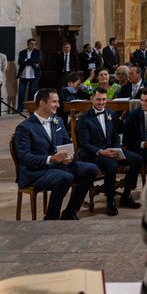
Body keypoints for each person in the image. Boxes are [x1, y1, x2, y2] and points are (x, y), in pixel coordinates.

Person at [13, 88, 98, 220]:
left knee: (91, 169)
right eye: (54, 102)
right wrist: (50, 159)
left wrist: (69, 156)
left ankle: (70, 212)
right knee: (65, 177)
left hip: (58, 166)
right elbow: (25, 158)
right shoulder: (24, 127)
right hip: (35, 172)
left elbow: (67, 143)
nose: (58, 105)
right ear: (42, 103)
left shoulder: (57, 121)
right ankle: (51, 217)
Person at [76, 88, 143, 216]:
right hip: (93, 154)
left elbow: (115, 136)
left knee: (137, 159)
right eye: (98, 99)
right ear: (92, 99)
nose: (101, 102)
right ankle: (110, 201)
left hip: (111, 151)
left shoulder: (111, 114)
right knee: (111, 165)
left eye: (104, 99)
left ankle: (126, 195)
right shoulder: (84, 118)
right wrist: (101, 152)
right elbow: (84, 143)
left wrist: (116, 149)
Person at [17, 38, 41, 113]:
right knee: (21, 92)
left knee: (32, 92)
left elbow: (38, 61)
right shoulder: (22, 52)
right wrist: (31, 62)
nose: (33, 45)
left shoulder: (37, 52)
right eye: (31, 43)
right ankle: (20, 108)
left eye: (34, 44)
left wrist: (27, 60)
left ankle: (31, 108)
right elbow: (20, 62)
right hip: (23, 75)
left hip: (33, 75)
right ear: (28, 44)